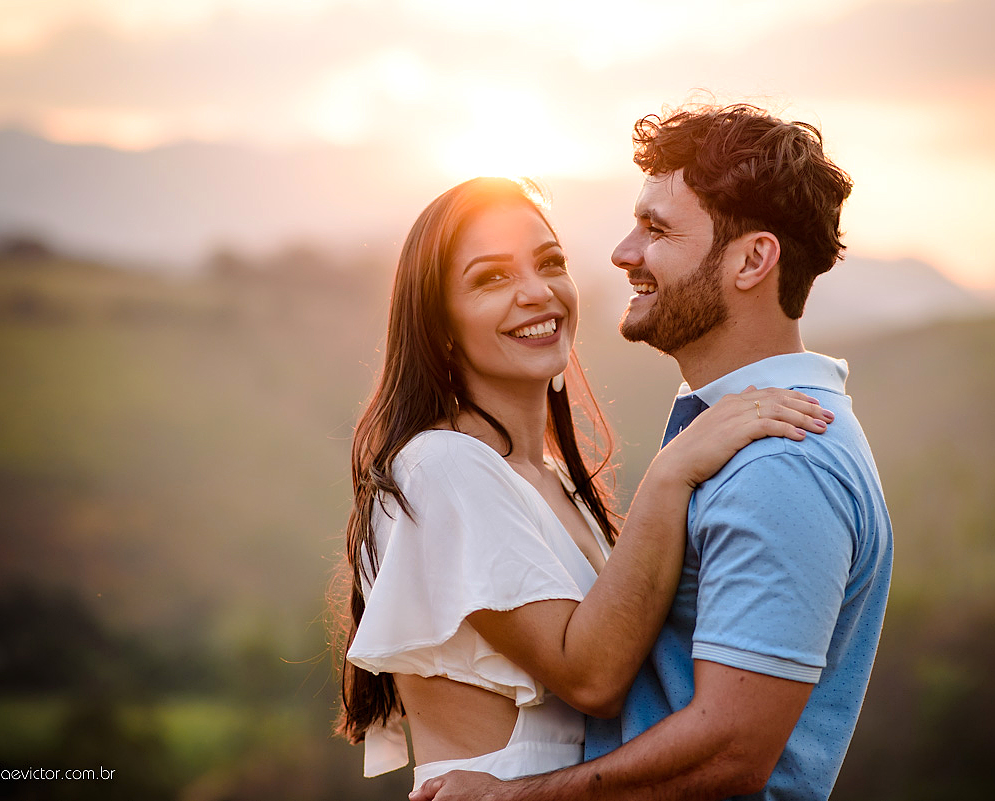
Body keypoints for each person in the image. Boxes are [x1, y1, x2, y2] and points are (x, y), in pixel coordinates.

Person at [411, 105, 893, 801]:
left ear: (752, 260)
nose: (622, 252)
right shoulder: (732, 438)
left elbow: (730, 752)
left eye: (657, 229)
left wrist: (514, 795)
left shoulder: (782, 463)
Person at [331, 176, 835, 790]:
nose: (536, 292)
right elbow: (592, 677)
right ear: (439, 323)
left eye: (549, 263)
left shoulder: (549, 477)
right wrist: (672, 472)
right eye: (491, 278)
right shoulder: (442, 467)